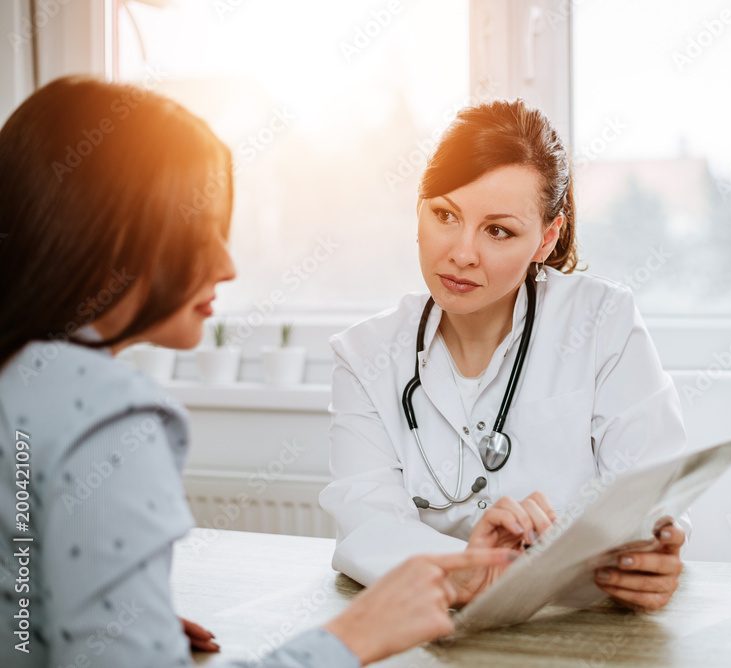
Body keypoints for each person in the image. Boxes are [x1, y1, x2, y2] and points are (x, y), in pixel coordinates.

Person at [0, 76, 513, 668]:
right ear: (100, 234)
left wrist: (106, 616)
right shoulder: (108, 411)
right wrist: (351, 638)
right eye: (199, 231)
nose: (227, 265)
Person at [320, 99, 692, 612]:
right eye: (445, 214)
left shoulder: (601, 321)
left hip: (579, 626)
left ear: (546, 238)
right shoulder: (365, 356)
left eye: (499, 230)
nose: (462, 252)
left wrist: (655, 553)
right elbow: (366, 525)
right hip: (432, 630)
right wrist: (467, 572)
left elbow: (653, 485)